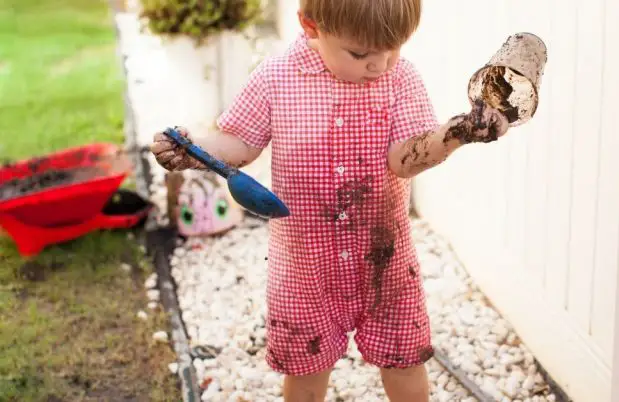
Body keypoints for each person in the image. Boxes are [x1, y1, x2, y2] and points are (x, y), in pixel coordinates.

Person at [150, 0, 510, 400]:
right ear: (310, 26)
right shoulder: (276, 77)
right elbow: (241, 142)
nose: (380, 64)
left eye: (393, 48)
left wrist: (455, 133)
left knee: (405, 361)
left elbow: (403, 160)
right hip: (305, 267)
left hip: (384, 263)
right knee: (306, 370)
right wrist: (192, 148)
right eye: (360, 53)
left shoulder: (401, 79)